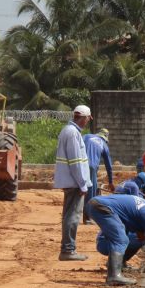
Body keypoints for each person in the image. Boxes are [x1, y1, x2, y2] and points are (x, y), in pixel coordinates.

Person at [86, 194, 145, 286]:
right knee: (121, 240)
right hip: (101, 208)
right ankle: (113, 276)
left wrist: (140, 231)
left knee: (140, 238)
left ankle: (118, 264)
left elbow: (137, 231)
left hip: (98, 205)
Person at [53, 105, 93, 260]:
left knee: (69, 215)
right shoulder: (72, 133)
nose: (88, 122)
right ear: (84, 118)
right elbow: (76, 162)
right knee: (73, 216)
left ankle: (68, 248)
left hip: (71, 181)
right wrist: (83, 184)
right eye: (88, 119)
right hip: (74, 182)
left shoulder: (68, 131)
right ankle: (68, 250)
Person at [82, 128, 113, 223]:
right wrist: (111, 182)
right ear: (105, 137)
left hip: (79, 164)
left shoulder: (87, 136)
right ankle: (87, 217)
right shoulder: (103, 144)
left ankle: (69, 215)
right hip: (91, 167)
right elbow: (109, 166)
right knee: (91, 191)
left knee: (77, 189)